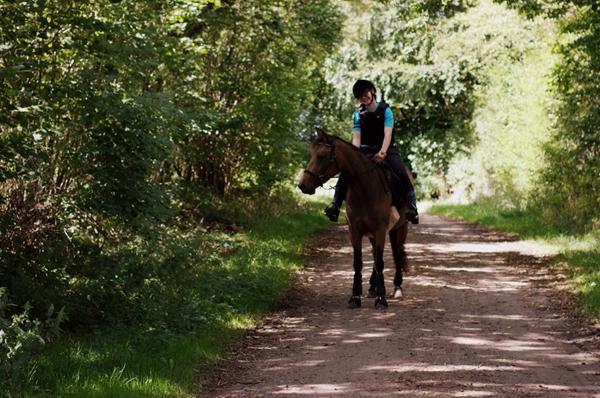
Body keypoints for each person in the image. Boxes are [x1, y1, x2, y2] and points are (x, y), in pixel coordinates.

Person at [324, 79, 419, 224]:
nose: (364, 97)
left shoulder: (386, 110)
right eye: (360, 96)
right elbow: (356, 139)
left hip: (387, 149)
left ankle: (412, 207)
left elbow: (387, 134)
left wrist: (382, 152)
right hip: (365, 151)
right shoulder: (357, 115)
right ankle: (335, 205)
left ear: (372, 91)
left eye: (366, 93)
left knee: (401, 173)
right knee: (345, 173)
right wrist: (353, 156)